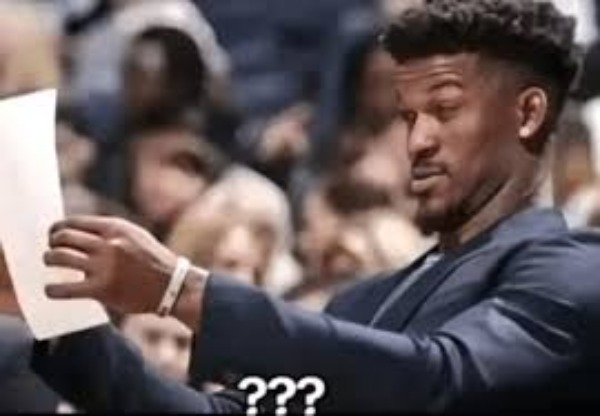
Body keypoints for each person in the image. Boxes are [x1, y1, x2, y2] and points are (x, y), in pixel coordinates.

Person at [4, 0, 600, 412]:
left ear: (528, 113)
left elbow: (438, 382)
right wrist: (57, 311)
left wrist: (179, 290)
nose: (417, 140)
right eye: (409, 116)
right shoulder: (361, 303)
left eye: (444, 110)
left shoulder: (575, 271)